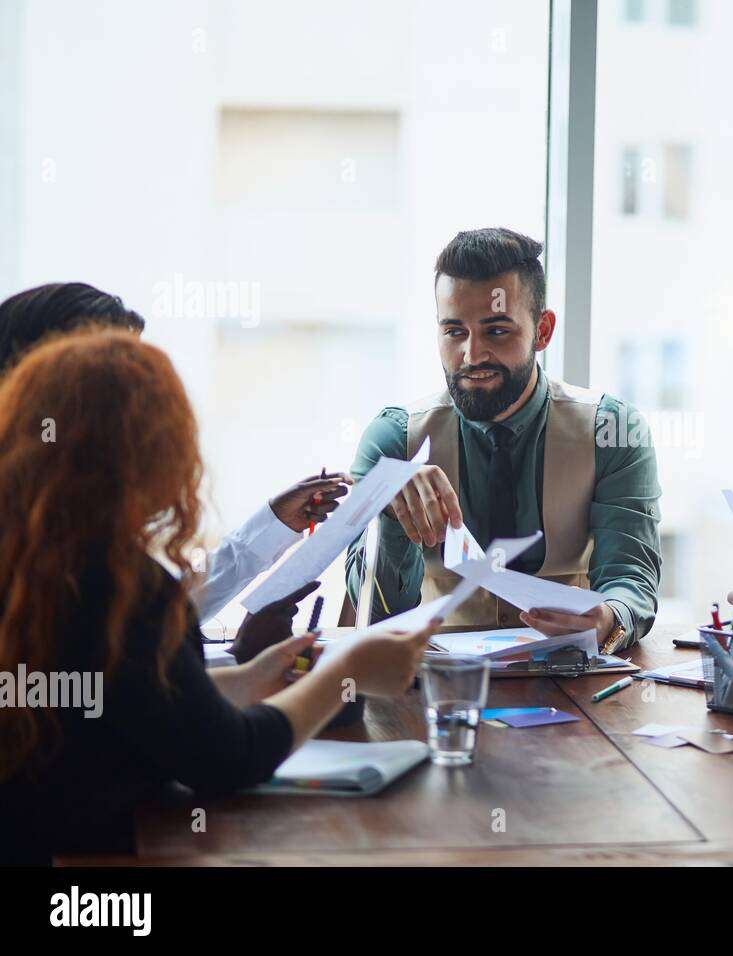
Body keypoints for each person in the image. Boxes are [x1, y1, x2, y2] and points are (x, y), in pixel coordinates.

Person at [0, 331, 437, 865]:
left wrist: (250, 678)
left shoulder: (32, 564)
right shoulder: (120, 589)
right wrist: (345, 672)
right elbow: (227, 757)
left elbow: (136, 698)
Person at [346, 227, 661, 654]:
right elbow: (375, 612)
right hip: (434, 690)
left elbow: (630, 577)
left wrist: (608, 617)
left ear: (543, 330)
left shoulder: (613, 431)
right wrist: (390, 513)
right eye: (455, 332)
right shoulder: (394, 440)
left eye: (496, 331)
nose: (472, 356)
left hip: (575, 683)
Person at [0, 281, 352, 624]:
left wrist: (272, 524)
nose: (142, 414)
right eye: (119, 387)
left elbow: (142, 630)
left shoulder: (70, 536)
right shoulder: (55, 550)